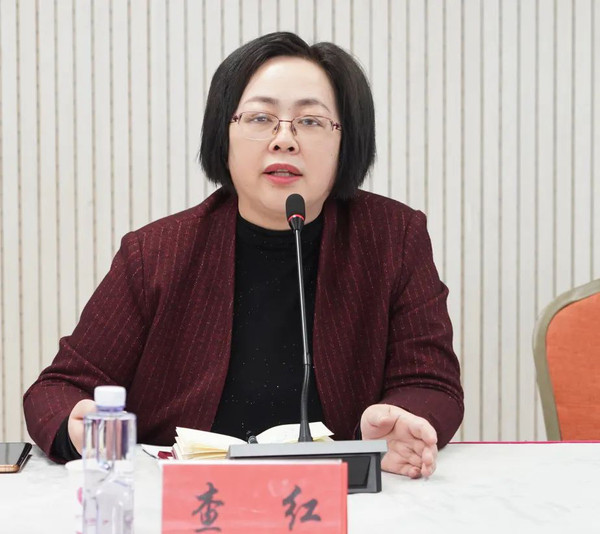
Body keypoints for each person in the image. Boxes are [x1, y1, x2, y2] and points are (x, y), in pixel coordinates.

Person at [23, 32, 463, 479]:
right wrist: (79, 427)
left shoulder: (392, 238)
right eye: (260, 118)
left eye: (311, 121)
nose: (284, 140)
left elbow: (430, 382)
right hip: (187, 496)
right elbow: (59, 388)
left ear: (346, 141)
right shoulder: (156, 252)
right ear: (224, 134)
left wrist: (398, 422)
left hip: (342, 494)